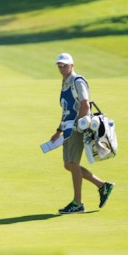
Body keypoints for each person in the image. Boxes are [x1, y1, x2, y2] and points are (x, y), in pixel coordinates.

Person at [47, 53, 114, 214]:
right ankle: (102, 185)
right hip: (68, 129)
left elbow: (85, 106)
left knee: (73, 164)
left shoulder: (78, 81)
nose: (62, 69)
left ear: (72, 65)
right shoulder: (65, 83)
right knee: (68, 164)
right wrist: (59, 131)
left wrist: (78, 125)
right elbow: (67, 111)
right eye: (59, 66)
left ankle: (78, 203)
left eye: (64, 65)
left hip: (77, 129)